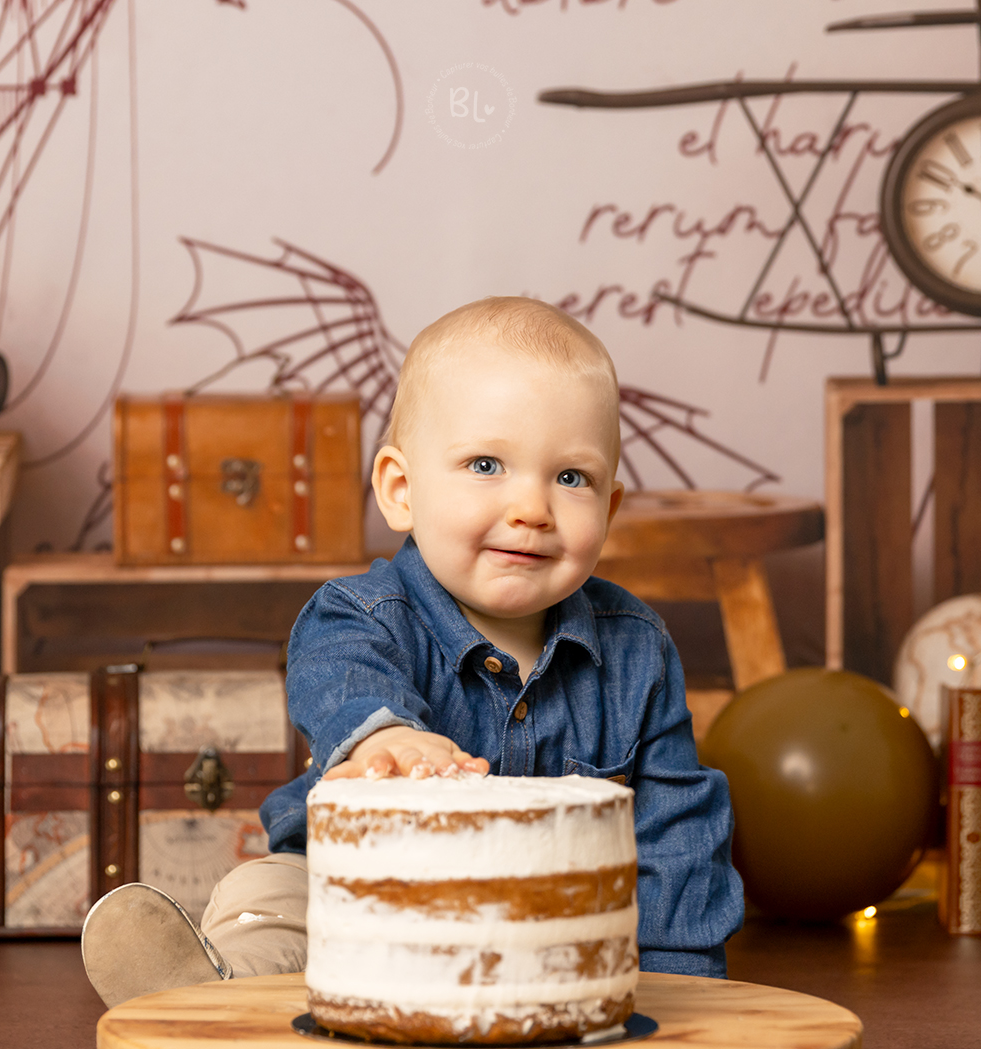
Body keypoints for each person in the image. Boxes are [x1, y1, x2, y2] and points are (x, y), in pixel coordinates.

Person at [80, 296, 742, 1006]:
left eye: (570, 478)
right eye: (486, 464)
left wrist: (680, 980)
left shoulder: (636, 649)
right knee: (269, 889)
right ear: (401, 490)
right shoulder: (363, 614)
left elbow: (676, 828)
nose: (532, 508)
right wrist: (384, 736)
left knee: (619, 919)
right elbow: (336, 673)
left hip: (542, 928)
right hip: (359, 897)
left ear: (608, 509)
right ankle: (223, 985)